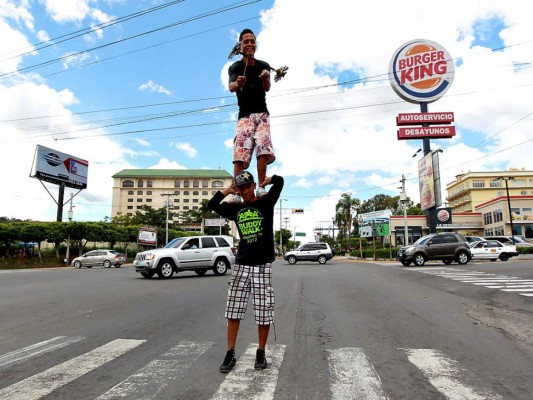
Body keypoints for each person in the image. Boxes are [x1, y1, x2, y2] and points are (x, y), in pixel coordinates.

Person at [208, 170, 284, 373]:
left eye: (248, 186)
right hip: (241, 264)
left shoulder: (265, 204)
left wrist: (268, 180)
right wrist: (227, 191)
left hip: (262, 265)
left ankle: (261, 351)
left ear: (253, 186)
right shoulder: (236, 209)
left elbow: (280, 182)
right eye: (241, 188)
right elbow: (212, 205)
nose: (245, 191)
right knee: (234, 310)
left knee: (263, 311)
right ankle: (230, 352)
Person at [228, 28, 275, 200]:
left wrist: (265, 78)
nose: (249, 44)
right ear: (240, 45)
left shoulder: (263, 65)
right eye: (246, 41)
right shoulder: (235, 67)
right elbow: (231, 87)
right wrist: (238, 83)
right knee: (240, 152)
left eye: (252, 41)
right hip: (245, 115)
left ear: (255, 45)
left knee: (263, 147)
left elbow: (267, 88)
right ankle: (236, 191)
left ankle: (261, 187)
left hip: (262, 113)